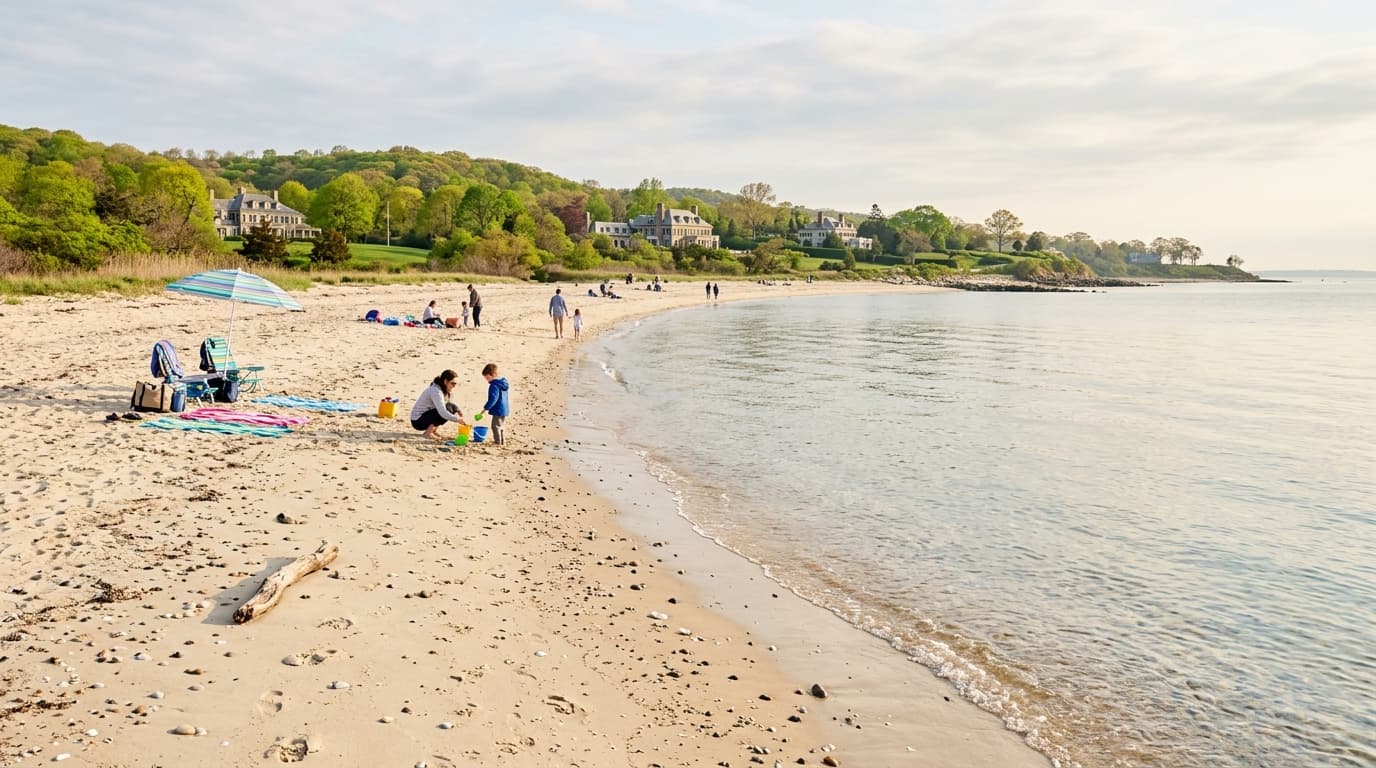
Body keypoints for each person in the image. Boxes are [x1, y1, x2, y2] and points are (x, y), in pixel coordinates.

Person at [410, 369, 466, 440]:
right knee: (446, 409)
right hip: (417, 421)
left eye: (455, 384)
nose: (454, 386)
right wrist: (457, 420)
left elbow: (449, 405)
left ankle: (433, 430)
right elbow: (442, 412)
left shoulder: (445, 391)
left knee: (450, 407)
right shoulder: (436, 391)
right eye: (453, 383)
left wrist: (457, 409)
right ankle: (428, 433)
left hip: (425, 416)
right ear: (445, 381)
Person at [476, 363, 509, 446]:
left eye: (487, 377)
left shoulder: (494, 385)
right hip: (504, 408)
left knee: (495, 426)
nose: (487, 380)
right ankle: (502, 441)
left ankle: (498, 442)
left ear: (494, 375)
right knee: (500, 425)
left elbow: (493, 398)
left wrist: (486, 408)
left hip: (498, 409)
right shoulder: (502, 383)